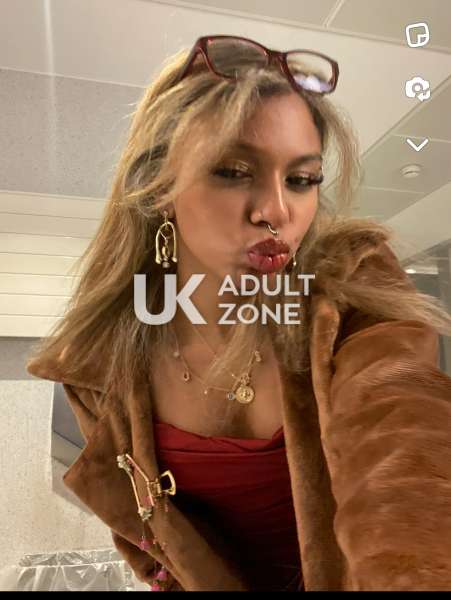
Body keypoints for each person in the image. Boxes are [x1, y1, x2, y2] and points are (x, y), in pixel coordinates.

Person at [27, 35, 451, 591]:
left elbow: (406, 457)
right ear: (157, 187)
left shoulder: (351, 288)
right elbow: (152, 540)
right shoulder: (99, 364)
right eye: (232, 171)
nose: (277, 210)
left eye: (301, 180)